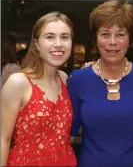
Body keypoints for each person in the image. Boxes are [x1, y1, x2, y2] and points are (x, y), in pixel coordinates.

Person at [67, 0, 133, 167]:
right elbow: (67, 135)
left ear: (130, 40)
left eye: (120, 34)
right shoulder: (78, 80)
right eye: (105, 34)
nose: (112, 42)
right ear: (95, 39)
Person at [1, 11, 77, 166]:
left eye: (64, 37)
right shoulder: (18, 82)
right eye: (50, 37)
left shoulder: (65, 79)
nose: (58, 44)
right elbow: (3, 139)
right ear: (36, 44)